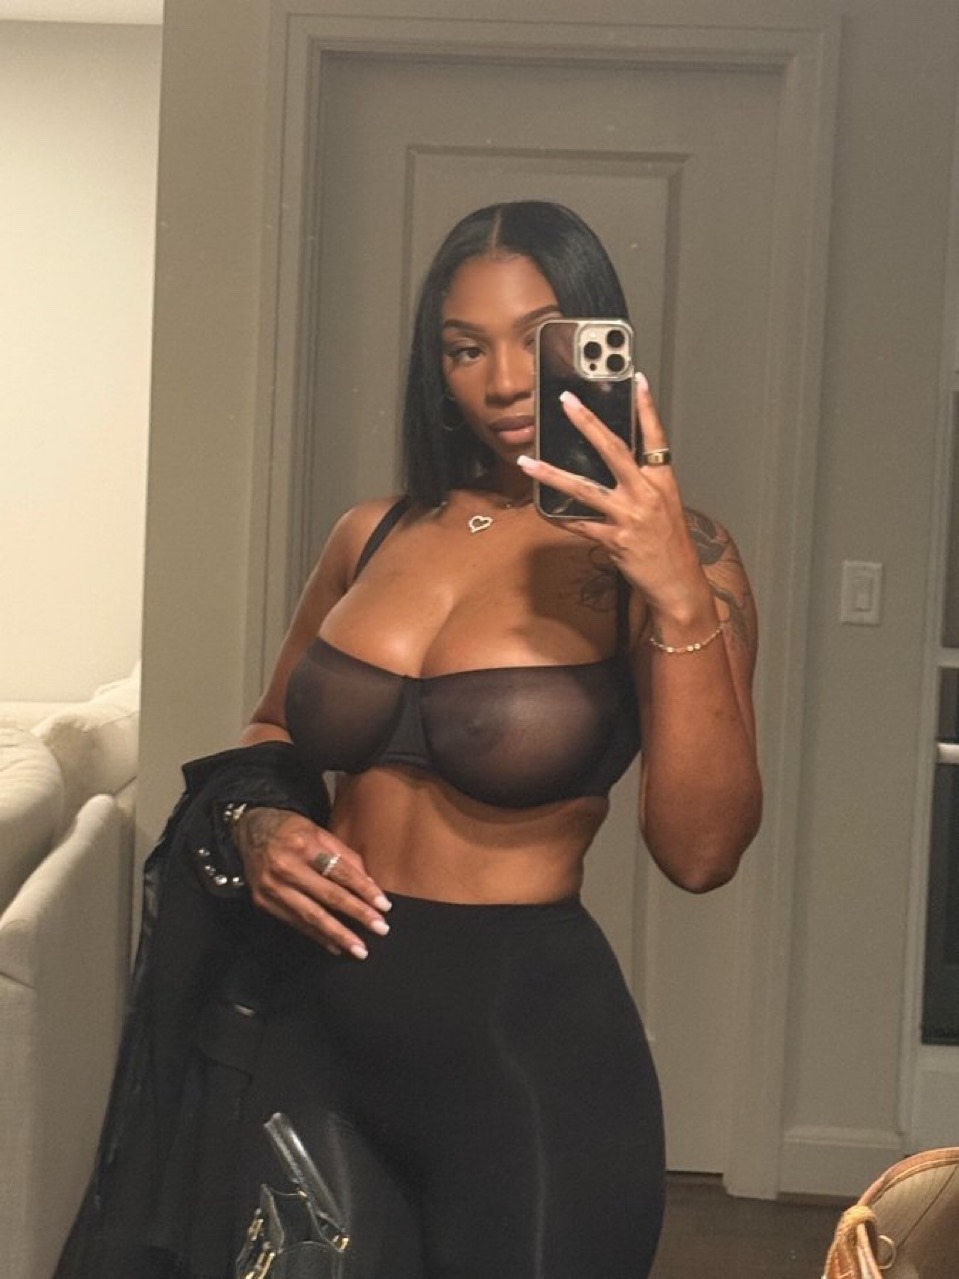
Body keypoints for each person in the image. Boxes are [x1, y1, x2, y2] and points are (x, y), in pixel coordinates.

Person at [223, 200, 762, 1278]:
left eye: (535, 339)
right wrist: (259, 821)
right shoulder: (371, 532)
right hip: (313, 1027)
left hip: (522, 1051)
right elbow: (273, 726)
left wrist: (673, 594)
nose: (504, 382)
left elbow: (701, 851)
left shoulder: (679, 555)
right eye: (465, 348)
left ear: (597, 341)